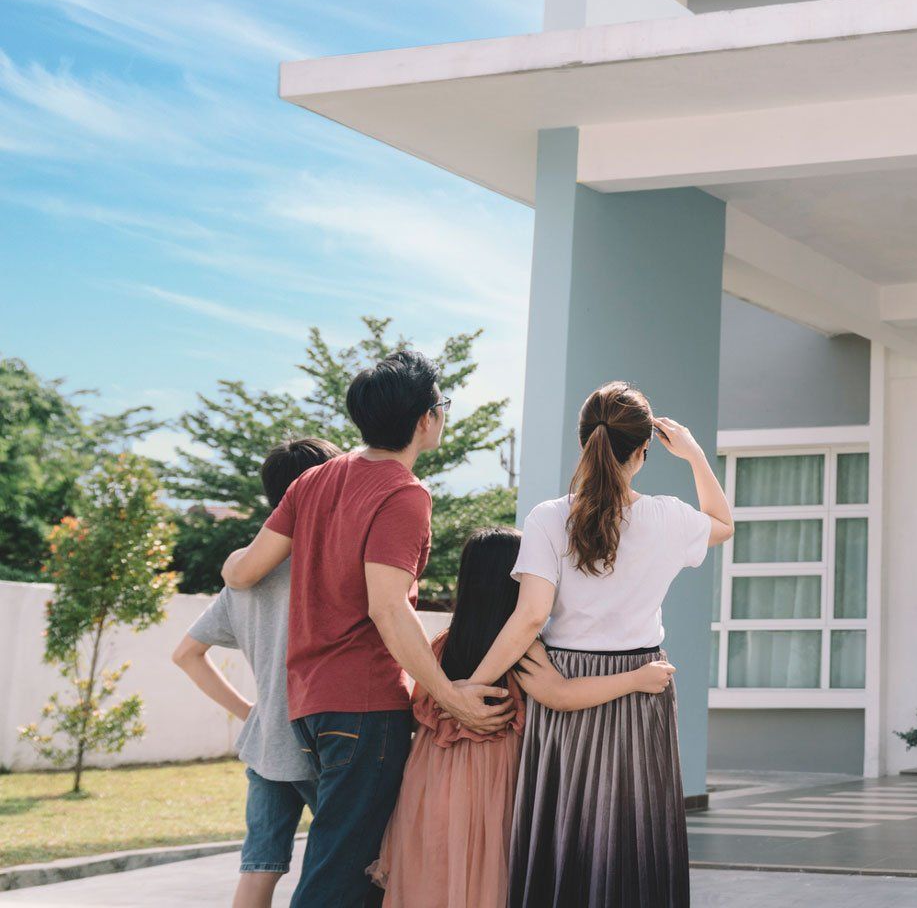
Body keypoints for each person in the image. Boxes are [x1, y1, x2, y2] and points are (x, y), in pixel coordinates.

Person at [221, 350, 511, 908]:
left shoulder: (312, 480)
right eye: (442, 405)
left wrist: (233, 562)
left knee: (351, 869)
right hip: (363, 705)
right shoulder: (403, 493)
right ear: (426, 418)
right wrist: (451, 698)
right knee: (341, 874)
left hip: (308, 705)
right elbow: (388, 607)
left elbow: (245, 570)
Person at [463, 382, 732, 908]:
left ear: (584, 441)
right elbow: (723, 523)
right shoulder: (667, 516)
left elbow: (530, 616)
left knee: (566, 829)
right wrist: (696, 454)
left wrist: (472, 685)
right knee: (633, 836)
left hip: (563, 683)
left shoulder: (546, 517)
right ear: (644, 452)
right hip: (642, 686)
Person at [371, 526, 678, 908]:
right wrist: (636, 678)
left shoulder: (442, 645)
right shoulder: (523, 649)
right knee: (491, 880)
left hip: (432, 784)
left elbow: (420, 710)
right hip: (499, 783)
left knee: (436, 876)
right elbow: (562, 696)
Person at [172, 437, 342, 908]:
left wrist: (253, 712)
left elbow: (186, 653)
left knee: (258, 870)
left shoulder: (245, 574)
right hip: (325, 739)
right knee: (346, 865)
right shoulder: (332, 564)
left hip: (267, 744)